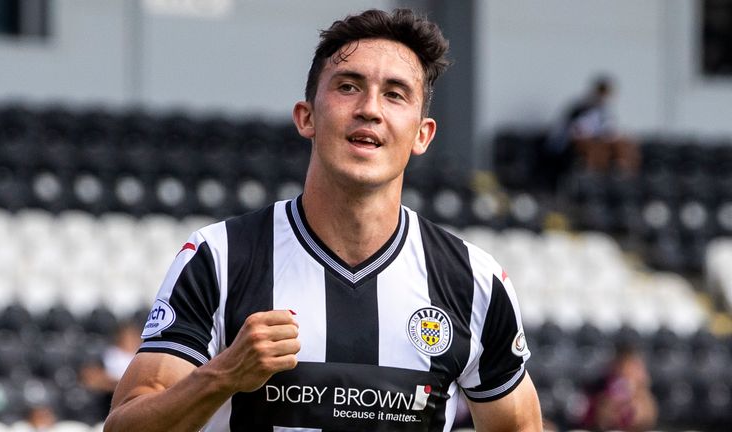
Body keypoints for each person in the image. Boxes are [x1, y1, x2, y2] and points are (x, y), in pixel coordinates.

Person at [104, 8, 542, 432]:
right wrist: (222, 376)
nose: (370, 108)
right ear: (307, 116)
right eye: (349, 87)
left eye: (394, 93)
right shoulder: (219, 258)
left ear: (422, 134)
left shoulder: (473, 281)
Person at [546, 75, 641, 177]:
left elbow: (609, 130)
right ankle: (590, 174)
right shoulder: (581, 109)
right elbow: (575, 132)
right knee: (593, 148)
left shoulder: (605, 110)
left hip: (596, 141)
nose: (603, 98)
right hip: (570, 146)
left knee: (622, 145)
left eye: (606, 95)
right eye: (601, 94)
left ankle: (621, 172)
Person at [579, 343, 658, 432]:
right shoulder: (600, 390)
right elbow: (599, 421)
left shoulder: (643, 395)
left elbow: (647, 420)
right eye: (625, 366)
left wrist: (635, 406)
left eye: (635, 367)